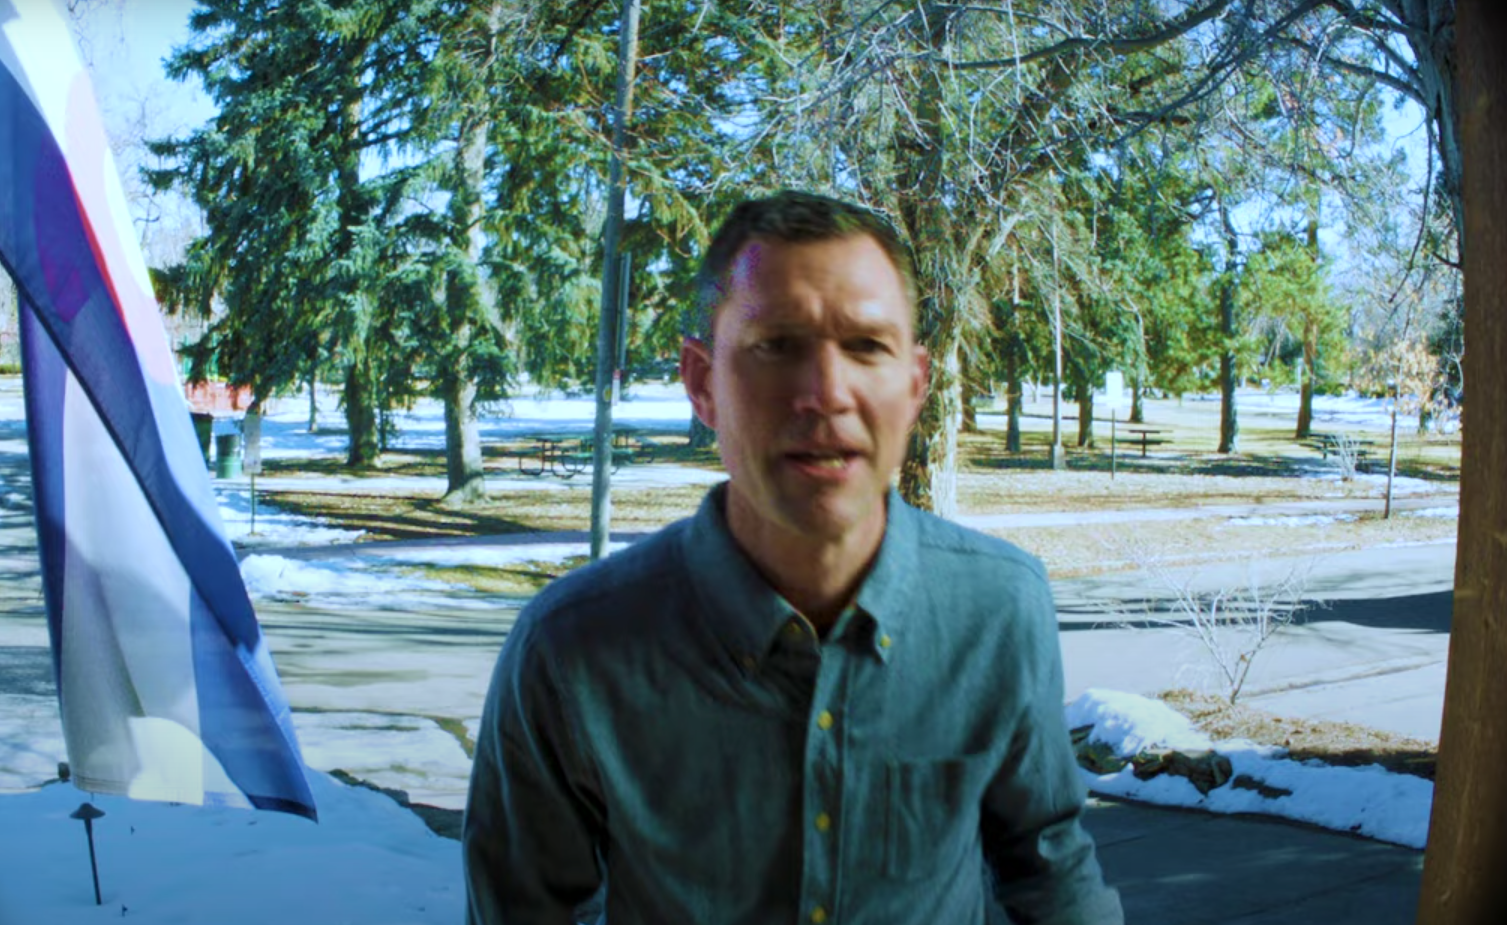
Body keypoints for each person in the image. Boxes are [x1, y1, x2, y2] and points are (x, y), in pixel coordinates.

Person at [463, 190, 1123, 925]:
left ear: (914, 387)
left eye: (866, 345)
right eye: (777, 344)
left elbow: (1051, 871)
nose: (826, 393)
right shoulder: (571, 649)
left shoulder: (998, 607)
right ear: (701, 382)